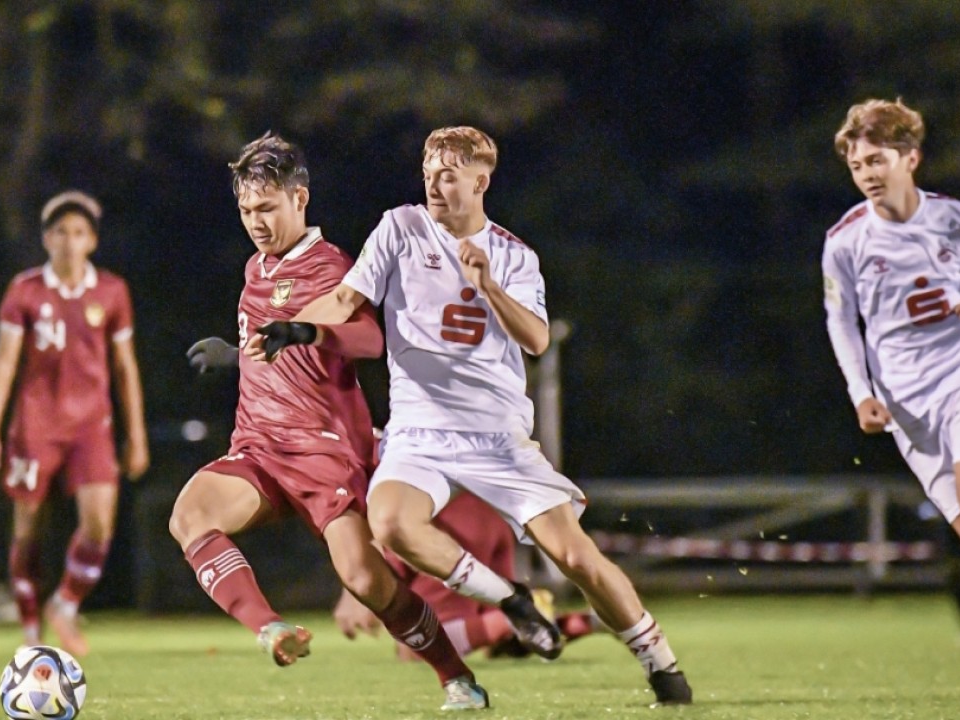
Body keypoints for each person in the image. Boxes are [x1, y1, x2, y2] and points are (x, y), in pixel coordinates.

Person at [248, 126, 692, 706]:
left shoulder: (513, 255)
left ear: (481, 181)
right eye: (430, 172)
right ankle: (510, 599)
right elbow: (345, 301)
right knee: (390, 523)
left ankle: (659, 660)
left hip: (495, 435)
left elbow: (535, 339)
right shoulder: (401, 227)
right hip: (417, 430)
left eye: (449, 174)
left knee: (575, 556)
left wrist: (487, 284)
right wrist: (284, 330)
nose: (434, 183)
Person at [169, 132, 489, 711]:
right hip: (259, 448)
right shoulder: (256, 268)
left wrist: (306, 330)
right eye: (246, 211)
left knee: (367, 583)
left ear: (300, 199)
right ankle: (271, 629)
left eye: (267, 208)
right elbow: (271, 351)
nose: (256, 222)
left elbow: (370, 338)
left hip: (325, 452)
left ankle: (455, 677)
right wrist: (234, 354)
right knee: (190, 515)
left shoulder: (331, 265)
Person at [822, 98, 960, 687]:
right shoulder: (845, 241)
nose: (868, 175)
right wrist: (862, 393)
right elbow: (841, 323)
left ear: (911, 157)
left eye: (878, 160)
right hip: (907, 405)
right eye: (858, 166)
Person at [0, 190, 150, 657]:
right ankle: (31, 631)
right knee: (28, 527)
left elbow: (125, 366)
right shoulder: (26, 289)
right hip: (35, 425)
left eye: (77, 232)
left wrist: (137, 434)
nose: (69, 242)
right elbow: (4, 364)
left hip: (91, 425)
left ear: (91, 240)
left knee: (99, 524)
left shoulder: (112, 291)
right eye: (59, 232)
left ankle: (66, 603)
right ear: (46, 238)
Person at [330, 492, 607, 660]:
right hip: (487, 509)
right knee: (502, 640)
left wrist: (354, 589)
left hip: (444, 515)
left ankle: (518, 614)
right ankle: (593, 621)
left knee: (418, 647)